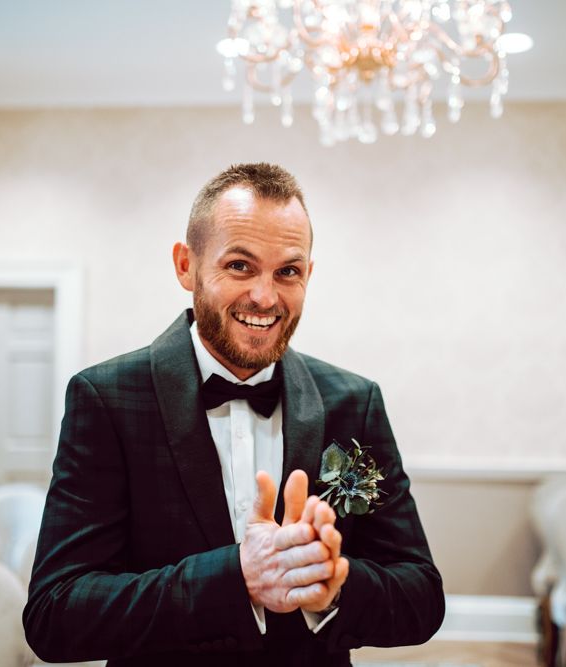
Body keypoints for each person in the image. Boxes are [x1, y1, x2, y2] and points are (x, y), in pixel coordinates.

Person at [23, 163, 445, 666]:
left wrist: (334, 588)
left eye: (287, 270)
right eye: (240, 266)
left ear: (308, 274)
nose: (265, 297)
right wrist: (236, 578)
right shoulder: (106, 397)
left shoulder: (355, 401)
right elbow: (55, 615)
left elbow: (422, 597)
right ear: (187, 265)